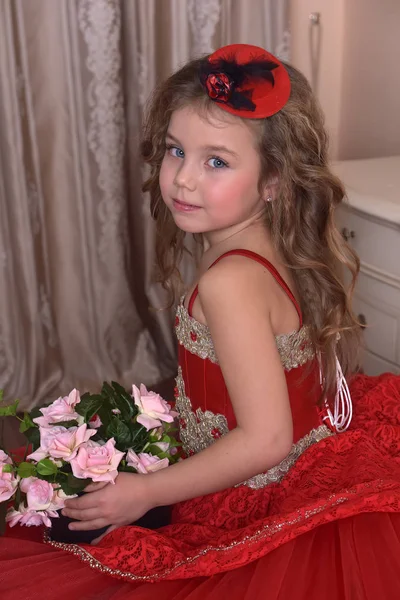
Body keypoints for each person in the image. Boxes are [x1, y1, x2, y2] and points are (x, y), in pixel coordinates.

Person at [1, 43, 400, 599]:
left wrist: (148, 492)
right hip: (303, 454)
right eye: (174, 150)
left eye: (216, 161)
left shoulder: (228, 281)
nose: (183, 179)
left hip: (261, 489)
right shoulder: (260, 244)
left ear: (273, 182)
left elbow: (265, 439)